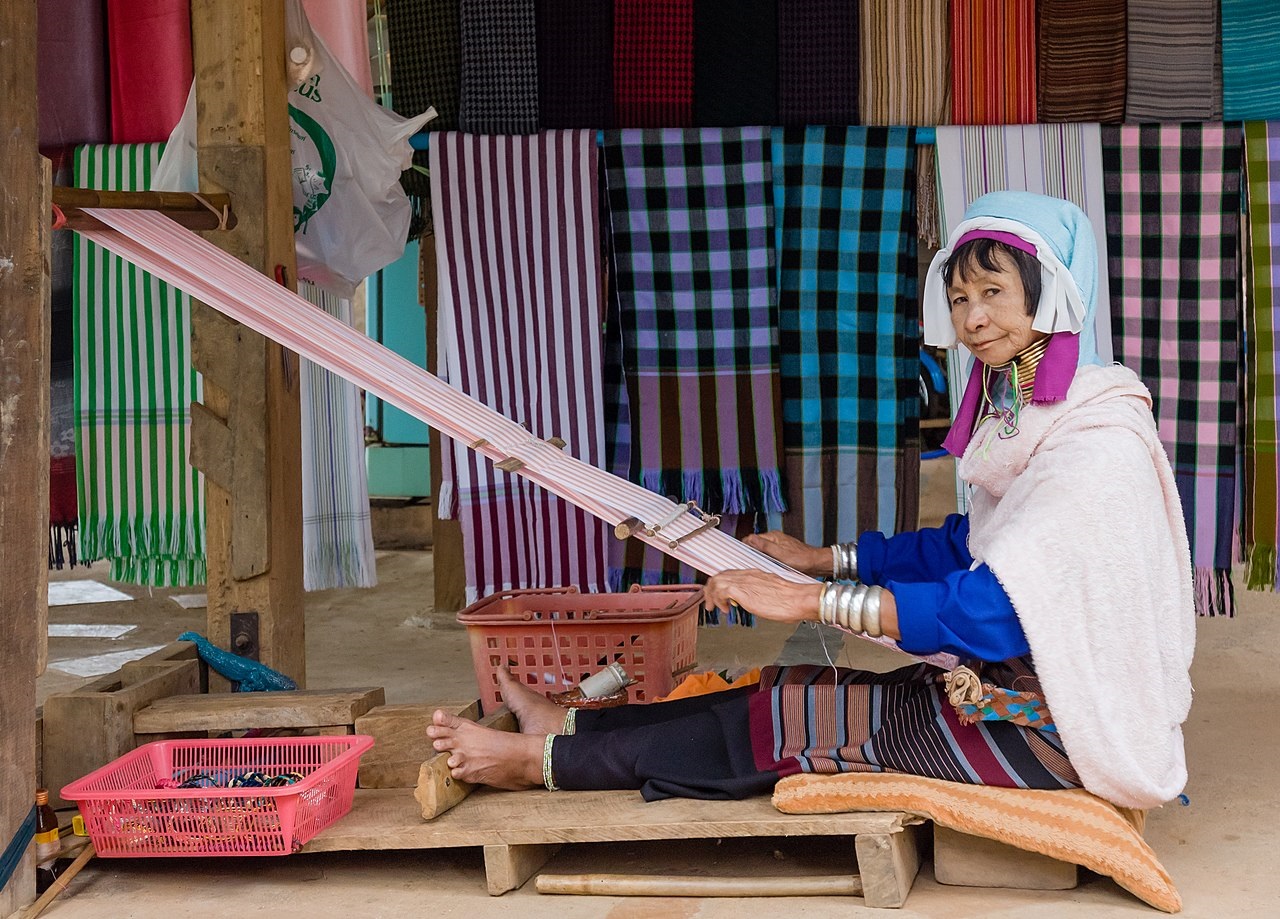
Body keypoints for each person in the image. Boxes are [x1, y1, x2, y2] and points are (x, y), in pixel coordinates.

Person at [428, 191, 1196, 811]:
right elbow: (972, 545)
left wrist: (812, 599)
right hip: (1012, 689)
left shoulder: (1092, 447)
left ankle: (538, 762)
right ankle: (568, 722)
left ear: (1055, 294)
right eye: (960, 297)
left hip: (1056, 733)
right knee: (789, 688)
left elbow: (991, 608)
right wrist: (826, 557)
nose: (972, 319)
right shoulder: (1039, 416)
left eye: (994, 292)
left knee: (790, 722)